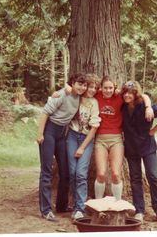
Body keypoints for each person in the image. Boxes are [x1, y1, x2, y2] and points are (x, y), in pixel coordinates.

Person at [37, 73, 87, 222]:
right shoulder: (62, 94)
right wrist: (40, 134)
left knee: (65, 172)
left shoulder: (80, 98)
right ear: (72, 83)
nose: (82, 87)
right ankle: (46, 210)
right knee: (46, 172)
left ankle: (61, 205)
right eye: (79, 84)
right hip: (49, 132)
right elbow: (45, 113)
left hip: (62, 135)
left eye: (84, 85)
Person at [94, 76, 154, 201]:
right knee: (101, 173)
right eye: (105, 88)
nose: (108, 90)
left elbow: (142, 95)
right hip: (100, 139)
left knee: (116, 174)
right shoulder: (97, 96)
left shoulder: (120, 97)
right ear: (101, 88)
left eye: (110, 88)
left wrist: (148, 107)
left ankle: (117, 202)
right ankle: (98, 203)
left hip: (116, 139)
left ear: (114, 88)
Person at [121, 80, 157, 225]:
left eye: (131, 93)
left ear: (136, 94)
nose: (127, 95)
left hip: (147, 146)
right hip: (131, 148)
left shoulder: (145, 106)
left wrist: (154, 130)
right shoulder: (122, 107)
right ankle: (139, 211)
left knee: (153, 176)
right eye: (125, 92)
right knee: (135, 179)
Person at [66, 74, 101, 221]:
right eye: (89, 86)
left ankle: (80, 208)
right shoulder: (76, 97)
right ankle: (73, 203)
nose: (92, 90)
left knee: (81, 174)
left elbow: (93, 128)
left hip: (86, 139)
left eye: (95, 87)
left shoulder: (94, 103)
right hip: (72, 136)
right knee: (72, 172)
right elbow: (65, 90)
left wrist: (82, 147)